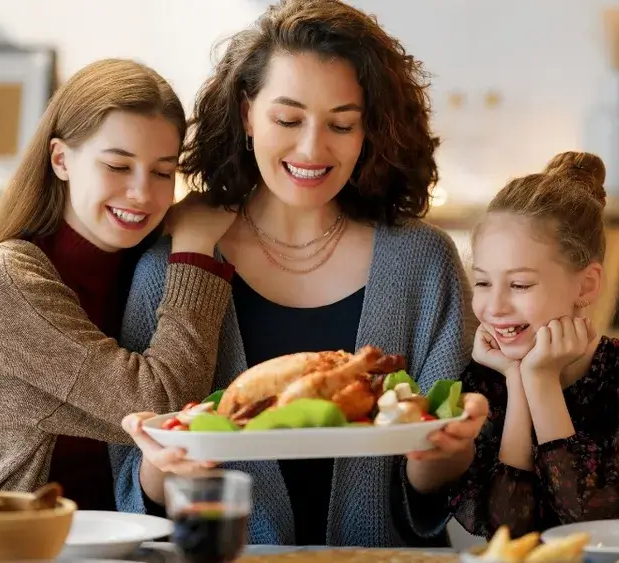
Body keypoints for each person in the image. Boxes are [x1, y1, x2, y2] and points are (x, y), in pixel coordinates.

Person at [110, 0, 487, 548]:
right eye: (287, 119)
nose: (312, 148)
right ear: (246, 113)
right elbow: (136, 489)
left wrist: (445, 456)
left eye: (341, 123)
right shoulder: (171, 266)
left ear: (369, 131)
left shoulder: (423, 263)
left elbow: (434, 482)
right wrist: (166, 465)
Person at [0, 58, 237, 511]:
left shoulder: (143, 269)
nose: (142, 194)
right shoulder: (6, 279)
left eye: (162, 172)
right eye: (118, 166)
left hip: (110, 544)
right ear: (61, 159)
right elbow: (163, 405)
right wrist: (195, 250)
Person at [449, 151, 619, 539]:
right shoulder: (483, 380)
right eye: (484, 282)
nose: (494, 307)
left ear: (586, 284)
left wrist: (541, 382)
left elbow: (596, 527)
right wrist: (517, 382)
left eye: (520, 285)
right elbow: (507, 531)